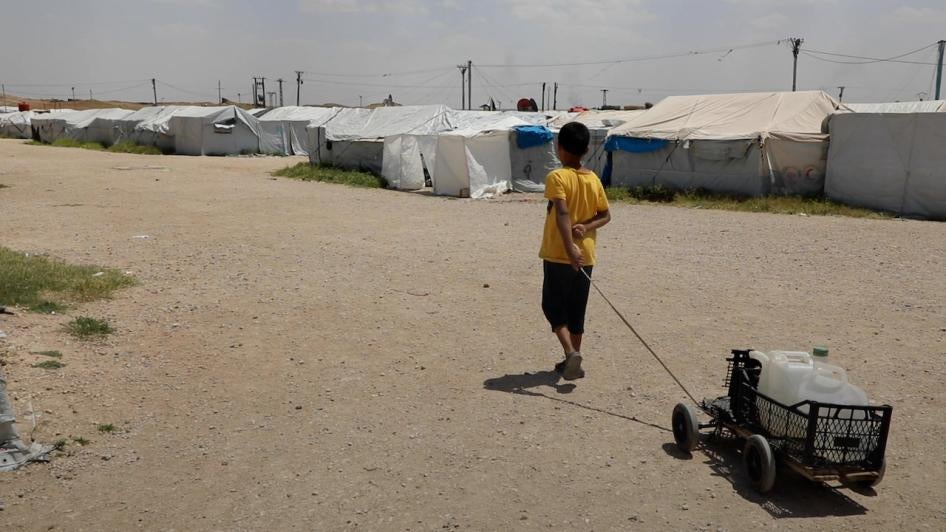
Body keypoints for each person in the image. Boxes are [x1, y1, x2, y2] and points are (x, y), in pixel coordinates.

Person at [539, 122, 611, 381]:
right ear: (585, 150)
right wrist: (587, 226)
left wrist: (569, 247)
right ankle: (574, 363)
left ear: (561, 149)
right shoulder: (593, 179)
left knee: (552, 306)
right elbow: (606, 215)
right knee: (576, 310)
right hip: (587, 256)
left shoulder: (557, 177)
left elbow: (562, 212)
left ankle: (571, 353)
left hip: (560, 254)